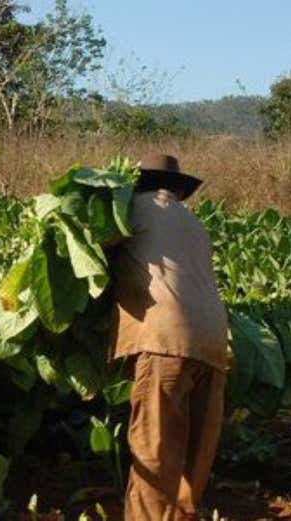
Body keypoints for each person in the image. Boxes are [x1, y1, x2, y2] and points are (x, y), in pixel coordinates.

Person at [109, 154, 229, 520]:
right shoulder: (194, 222)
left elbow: (89, 256)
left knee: (154, 452)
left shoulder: (130, 212)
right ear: (178, 189)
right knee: (192, 463)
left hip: (166, 339)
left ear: (138, 183)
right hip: (214, 339)